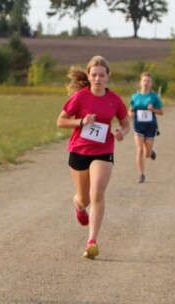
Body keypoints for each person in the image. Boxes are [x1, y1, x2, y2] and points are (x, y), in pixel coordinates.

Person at [56, 55, 130, 259]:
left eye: (102, 75)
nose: (98, 79)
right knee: (84, 198)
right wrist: (81, 122)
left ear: (108, 77)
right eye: (94, 75)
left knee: (97, 192)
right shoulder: (80, 97)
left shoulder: (114, 100)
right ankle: (78, 205)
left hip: (103, 151)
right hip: (79, 150)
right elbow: (61, 122)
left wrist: (122, 132)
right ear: (88, 76)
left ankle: (92, 241)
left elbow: (125, 123)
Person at [128, 72, 163, 183]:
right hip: (138, 125)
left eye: (148, 81)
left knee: (146, 154)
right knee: (139, 150)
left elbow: (161, 112)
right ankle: (141, 175)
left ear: (151, 84)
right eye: (144, 80)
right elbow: (130, 110)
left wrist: (153, 110)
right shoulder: (135, 96)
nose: (146, 83)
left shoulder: (154, 97)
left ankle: (150, 152)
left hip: (150, 126)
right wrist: (131, 114)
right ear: (140, 83)